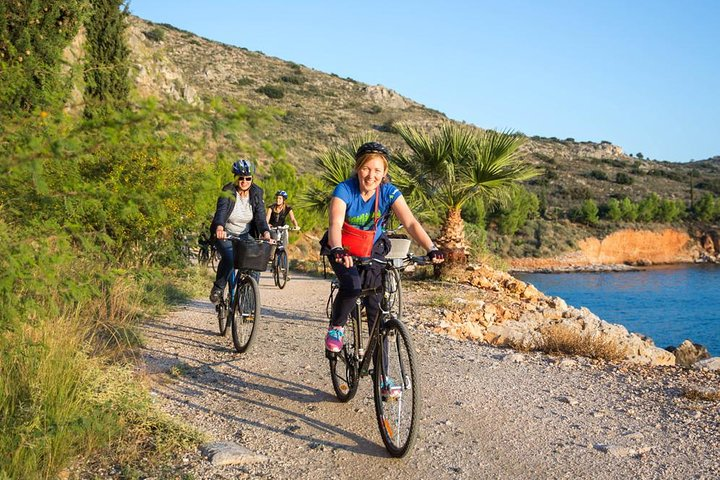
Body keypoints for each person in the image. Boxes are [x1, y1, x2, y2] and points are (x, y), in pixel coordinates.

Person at [321, 141, 444, 393]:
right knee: (352, 286)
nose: (371, 175)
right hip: (341, 247)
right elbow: (335, 225)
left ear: (384, 172)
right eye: (367, 169)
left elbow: (409, 222)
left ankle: (383, 379)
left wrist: (431, 248)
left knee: (378, 315)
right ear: (358, 168)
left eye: (377, 171)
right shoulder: (344, 189)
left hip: (372, 249)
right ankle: (336, 328)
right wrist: (337, 248)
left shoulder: (388, 192)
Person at [209, 159, 271, 303]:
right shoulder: (228, 190)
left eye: (248, 178)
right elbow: (221, 212)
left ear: (252, 178)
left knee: (255, 263)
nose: (244, 181)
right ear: (235, 178)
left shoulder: (257, 192)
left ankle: (248, 307)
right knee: (230, 257)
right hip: (226, 233)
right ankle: (219, 287)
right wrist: (219, 227)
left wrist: (265, 233)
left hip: (245, 234)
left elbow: (260, 216)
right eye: (240, 178)